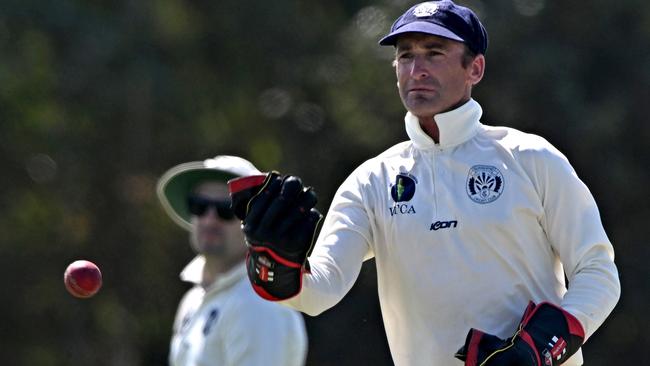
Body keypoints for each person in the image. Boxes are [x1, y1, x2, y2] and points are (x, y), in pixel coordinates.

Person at [229, 1, 621, 365]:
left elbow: (598, 272)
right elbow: (321, 290)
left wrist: (536, 352)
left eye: (434, 53)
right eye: (405, 55)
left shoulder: (531, 157)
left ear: (475, 69)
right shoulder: (371, 181)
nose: (416, 69)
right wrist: (273, 262)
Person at [156, 155, 308, 366]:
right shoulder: (193, 299)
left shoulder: (259, 304)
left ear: (256, 221)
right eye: (200, 205)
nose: (209, 219)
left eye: (225, 209)